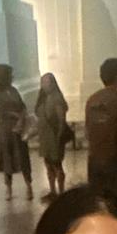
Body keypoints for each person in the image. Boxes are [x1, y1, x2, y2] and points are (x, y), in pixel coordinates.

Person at [84, 55, 117, 201]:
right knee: (115, 204)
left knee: (97, 203)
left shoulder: (91, 100)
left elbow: (87, 131)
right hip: (113, 159)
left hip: (94, 160)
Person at [0, 63, 32, 201]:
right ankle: (8, 188)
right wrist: (16, 115)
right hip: (6, 129)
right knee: (7, 158)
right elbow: (1, 110)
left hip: (19, 128)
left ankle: (29, 185)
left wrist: (21, 119)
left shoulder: (14, 90)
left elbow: (22, 106)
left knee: (23, 157)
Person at [33, 71, 69, 201]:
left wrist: (59, 136)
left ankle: (61, 191)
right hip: (45, 137)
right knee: (48, 164)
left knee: (56, 164)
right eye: (43, 82)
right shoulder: (42, 98)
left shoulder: (57, 98)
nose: (44, 85)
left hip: (54, 137)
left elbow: (61, 120)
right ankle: (53, 190)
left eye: (47, 82)